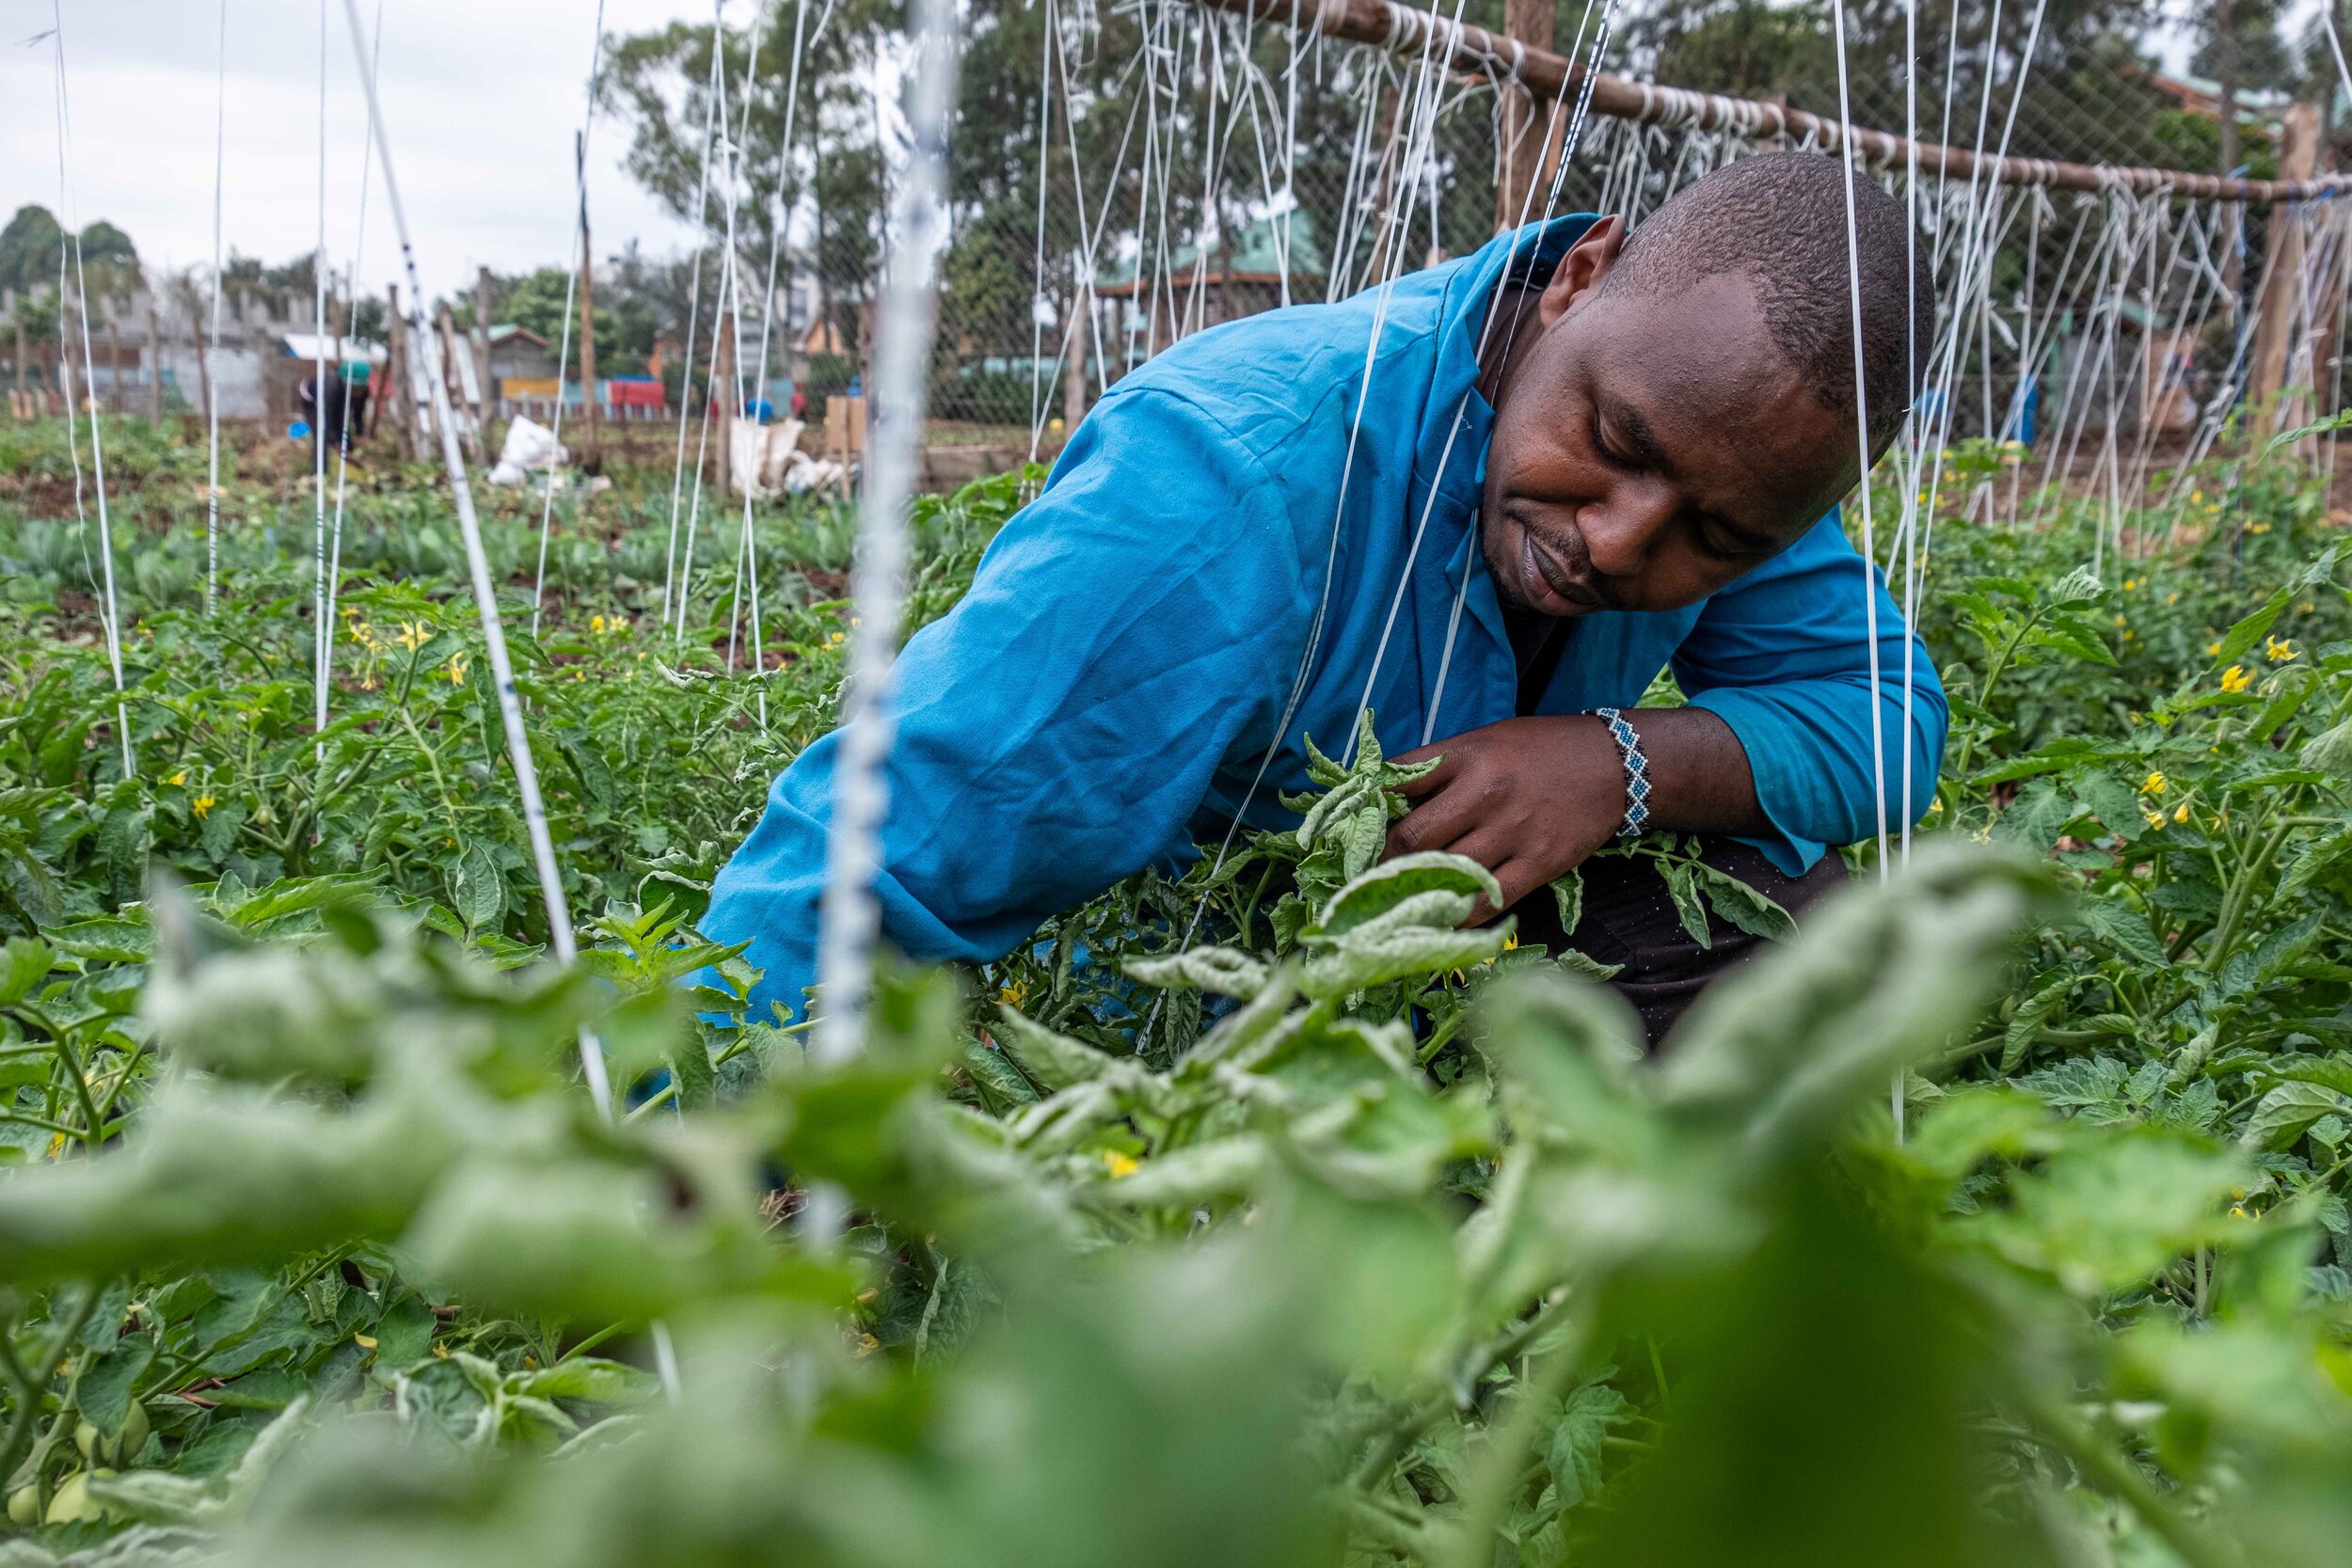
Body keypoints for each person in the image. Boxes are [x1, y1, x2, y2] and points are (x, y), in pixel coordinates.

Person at [705, 152, 1947, 1046]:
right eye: (1614, 439)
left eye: (1717, 534)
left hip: (1419, 974)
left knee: (1817, 932)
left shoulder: (1724, 455)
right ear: (1579, 274)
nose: (1622, 542)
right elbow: (891, 846)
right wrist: (657, 1174)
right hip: (1179, 1019)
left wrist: (1611, 762)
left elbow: (1890, 722)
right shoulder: (1235, 475)